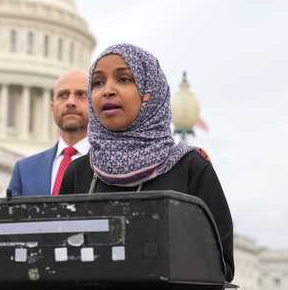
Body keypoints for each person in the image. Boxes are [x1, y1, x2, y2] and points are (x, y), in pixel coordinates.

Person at [59, 43, 234, 282]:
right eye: (97, 83)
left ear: (149, 93)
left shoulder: (191, 168)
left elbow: (221, 265)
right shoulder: (79, 172)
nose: (107, 90)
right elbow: (56, 256)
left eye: (123, 79)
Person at [8, 69, 90, 196]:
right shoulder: (24, 170)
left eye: (81, 95)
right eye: (63, 95)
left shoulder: (108, 166)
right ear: (52, 108)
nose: (70, 102)